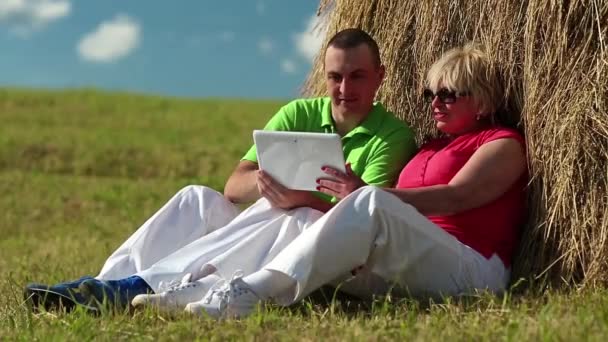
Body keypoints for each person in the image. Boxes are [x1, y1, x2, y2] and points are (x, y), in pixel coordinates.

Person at [24, 28, 417, 312]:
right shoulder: (299, 114)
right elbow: (234, 187)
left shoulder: (393, 136)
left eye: (357, 76)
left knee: (296, 214)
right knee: (198, 197)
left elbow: (363, 223)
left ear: (380, 76)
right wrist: (265, 186)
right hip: (266, 230)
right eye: (335, 77)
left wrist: (301, 198)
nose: (344, 88)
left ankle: (139, 288)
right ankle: (104, 285)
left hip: (319, 256)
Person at [181, 43, 528, 319]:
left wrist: (367, 196)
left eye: (449, 94)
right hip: (413, 268)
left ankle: (251, 292)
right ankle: (208, 284)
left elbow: (456, 197)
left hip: (471, 271)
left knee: (369, 201)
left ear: (481, 100)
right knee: (301, 216)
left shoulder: (502, 143)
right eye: (430, 95)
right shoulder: (429, 148)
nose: (435, 103)